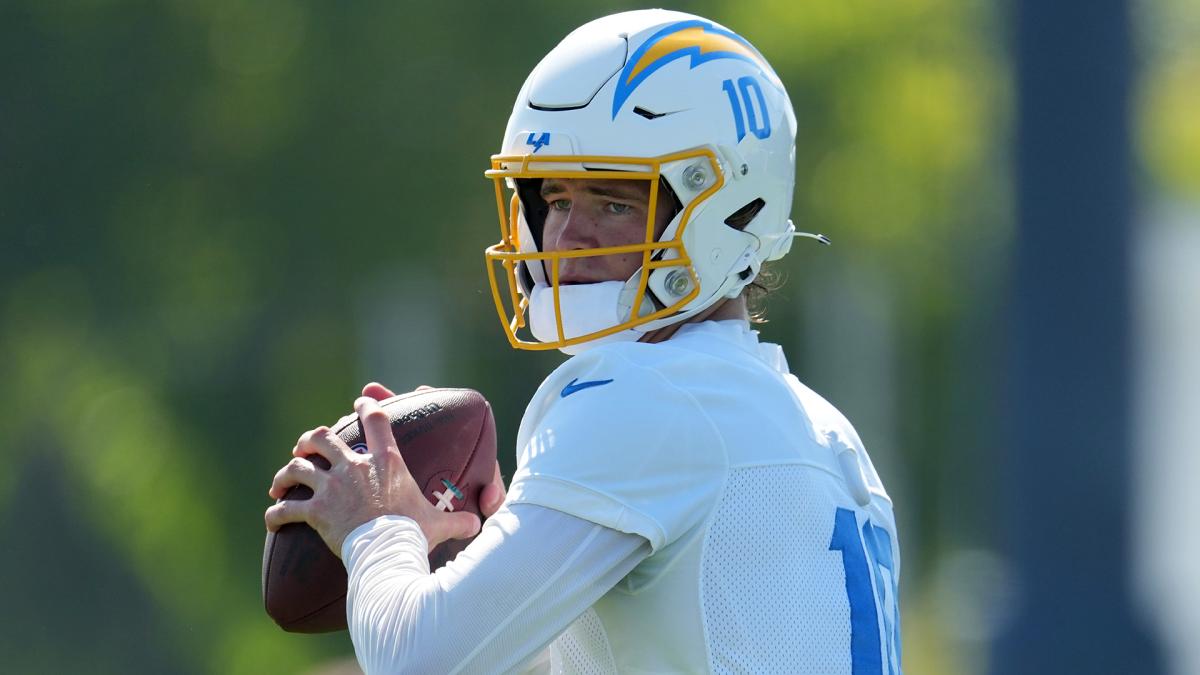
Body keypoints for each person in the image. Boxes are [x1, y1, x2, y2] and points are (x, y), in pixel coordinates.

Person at [266, 9, 901, 674]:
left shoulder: (644, 392)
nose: (568, 237)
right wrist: (504, 555)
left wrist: (377, 524)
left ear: (730, 210)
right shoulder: (821, 429)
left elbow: (417, 664)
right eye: (557, 199)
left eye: (615, 203)